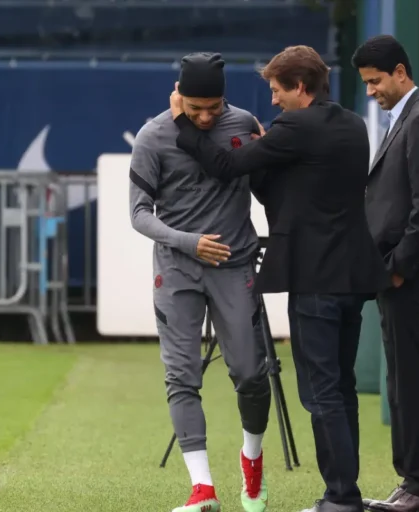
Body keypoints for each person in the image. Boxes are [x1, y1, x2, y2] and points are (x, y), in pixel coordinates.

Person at [169, 45, 391, 512]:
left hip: (314, 277)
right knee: (342, 387)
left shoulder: (295, 128)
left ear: (300, 87)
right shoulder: (353, 124)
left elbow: (226, 167)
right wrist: (267, 157)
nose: (272, 100)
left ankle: (341, 498)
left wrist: (184, 125)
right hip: (353, 276)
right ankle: (344, 492)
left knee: (320, 392)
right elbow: (289, 194)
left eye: (276, 90)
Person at [129, 52, 271, 512]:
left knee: (251, 374)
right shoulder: (152, 136)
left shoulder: (245, 124)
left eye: (214, 107)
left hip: (235, 265)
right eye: (195, 109)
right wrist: (188, 242)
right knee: (181, 375)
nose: (206, 117)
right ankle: (202, 488)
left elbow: (268, 185)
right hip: (176, 270)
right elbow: (138, 215)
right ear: (178, 95)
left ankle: (252, 459)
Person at [350, 34, 419, 512]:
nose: (371, 91)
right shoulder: (404, 119)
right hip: (395, 273)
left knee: (412, 382)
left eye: (375, 82)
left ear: (401, 73)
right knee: (401, 383)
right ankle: (411, 481)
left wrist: (398, 270)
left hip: (409, 275)